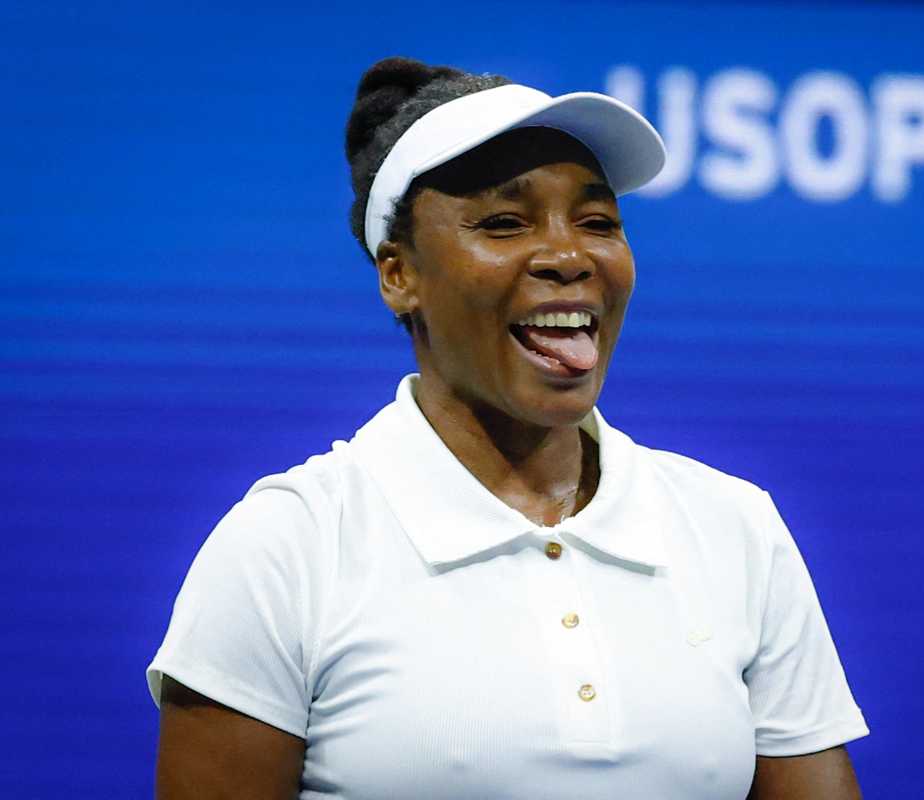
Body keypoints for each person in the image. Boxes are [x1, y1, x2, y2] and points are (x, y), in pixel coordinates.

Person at [147, 56, 869, 799]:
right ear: (399, 275)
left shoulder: (734, 528)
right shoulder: (289, 546)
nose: (568, 255)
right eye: (504, 222)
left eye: (597, 222)